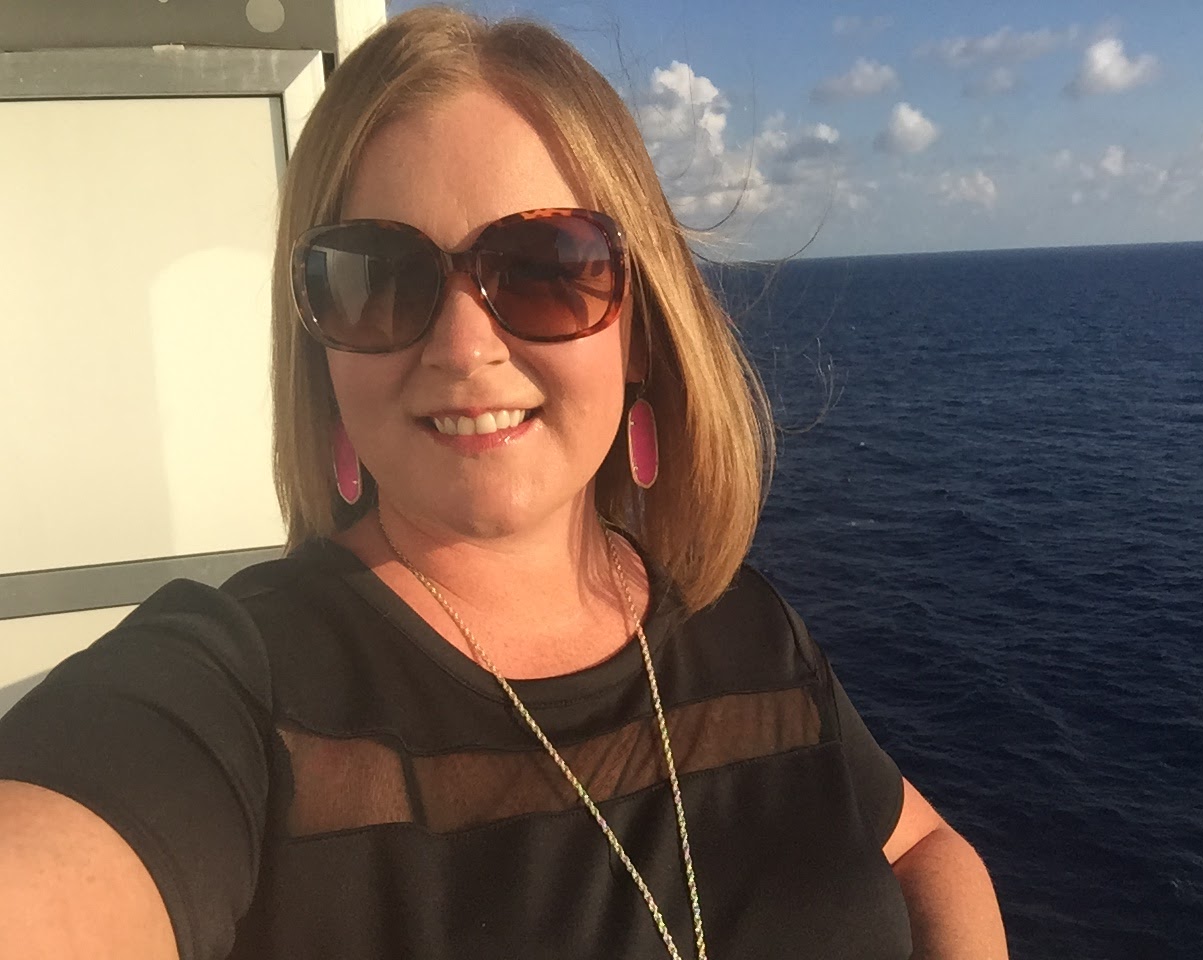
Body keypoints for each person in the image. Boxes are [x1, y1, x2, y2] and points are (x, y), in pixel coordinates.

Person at [0, 6, 1007, 959]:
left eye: (544, 265)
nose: (461, 345)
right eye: (375, 277)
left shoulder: (745, 629)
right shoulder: (237, 695)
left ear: (640, 327)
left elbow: (924, 848)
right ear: (320, 351)